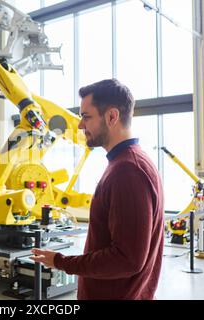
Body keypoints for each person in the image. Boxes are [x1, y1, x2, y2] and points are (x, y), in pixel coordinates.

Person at [30, 79, 164, 300]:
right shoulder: (128, 163)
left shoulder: (128, 171)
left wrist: (60, 262)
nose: (81, 125)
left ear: (111, 117)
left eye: (86, 116)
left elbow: (127, 259)